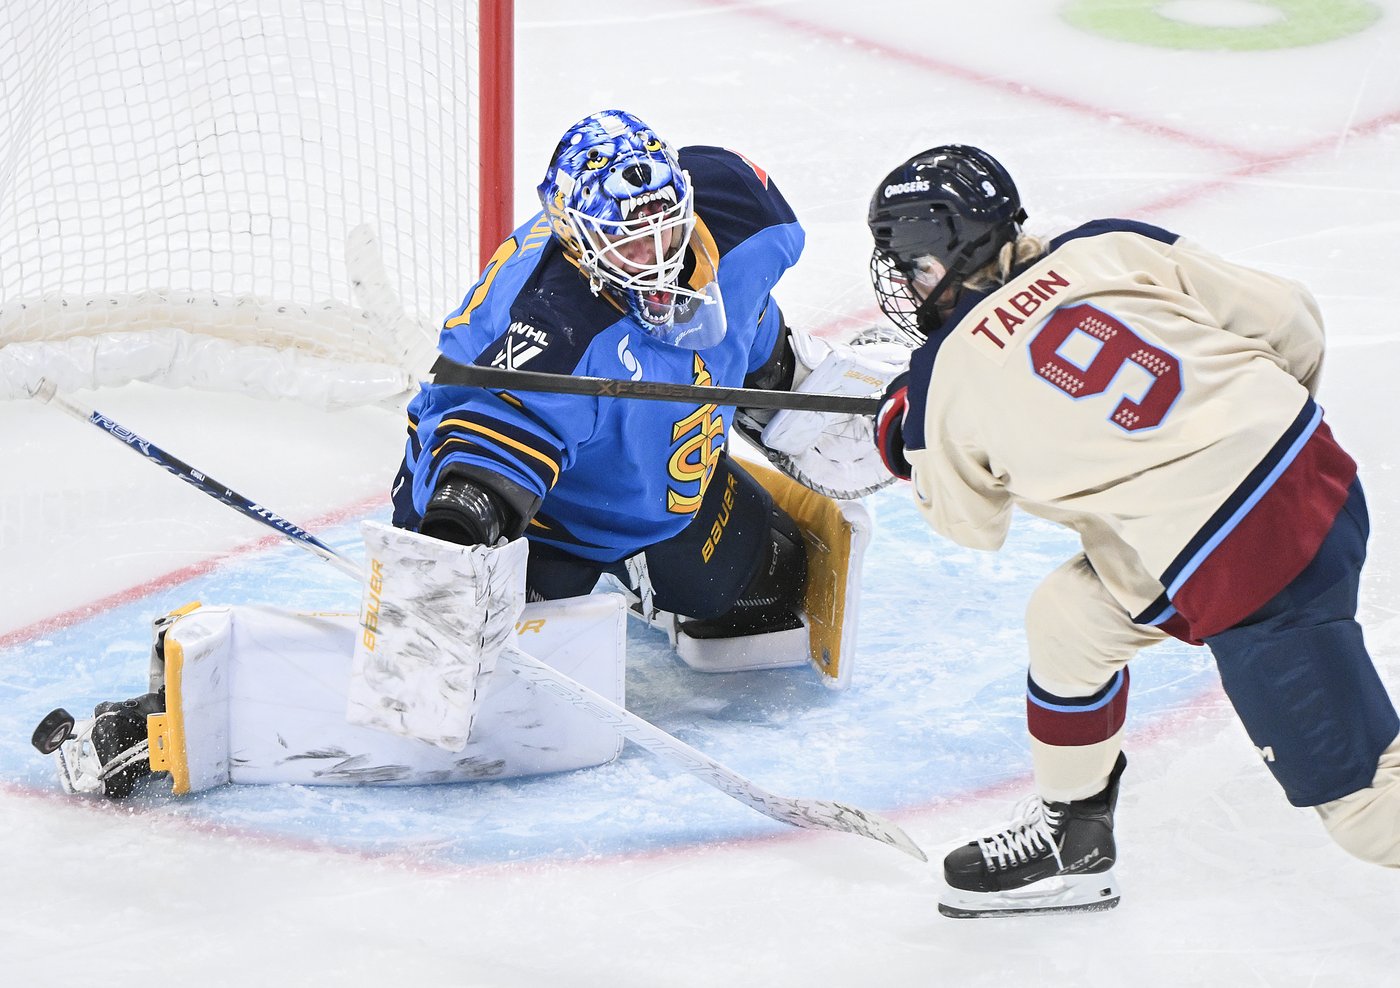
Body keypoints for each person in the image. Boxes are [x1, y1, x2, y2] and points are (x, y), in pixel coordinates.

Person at [36, 109, 908, 798]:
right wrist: (462, 543)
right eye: (627, 240)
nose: (654, 256)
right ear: (575, 239)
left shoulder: (733, 215)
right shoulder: (552, 330)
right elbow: (491, 452)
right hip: (541, 521)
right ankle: (164, 721)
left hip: (656, 481)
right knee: (439, 687)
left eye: (663, 226)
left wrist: (799, 391)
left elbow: (742, 318)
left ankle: (650, 570)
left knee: (762, 594)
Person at [868, 144, 1400, 918]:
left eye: (912, 263)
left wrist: (905, 435)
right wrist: (1225, 445)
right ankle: (1073, 840)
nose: (912, 282)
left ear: (942, 251)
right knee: (1070, 623)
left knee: (1367, 813)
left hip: (1248, 560)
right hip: (1315, 473)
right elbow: (1292, 321)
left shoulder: (944, 374)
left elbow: (969, 524)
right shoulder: (1107, 244)